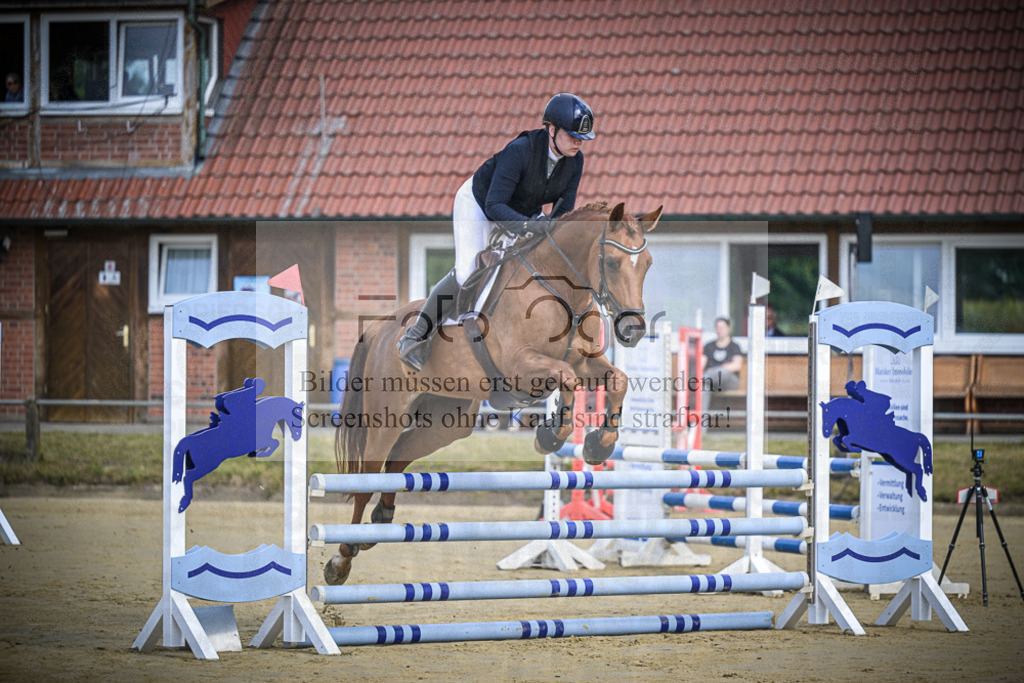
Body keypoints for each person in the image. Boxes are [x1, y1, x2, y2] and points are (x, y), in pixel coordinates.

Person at [397, 93, 596, 371]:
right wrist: (529, 227)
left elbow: (563, 213)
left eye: (582, 138)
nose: (578, 142)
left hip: (523, 212)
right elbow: (494, 204)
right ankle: (416, 335)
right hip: (479, 204)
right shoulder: (521, 150)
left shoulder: (575, 162)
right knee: (468, 270)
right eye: (572, 135)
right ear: (551, 130)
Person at [702, 317, 744, 392]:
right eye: (717, 327)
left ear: (728, 328)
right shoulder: (708, 346)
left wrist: (716, 370)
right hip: (712, 382)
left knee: (723, 372)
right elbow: (701, 364)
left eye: (722, 327)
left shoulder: (734, 346)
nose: (719, 329)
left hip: (729, 382)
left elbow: (737, 366)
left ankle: (702, 379)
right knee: (704, 387)